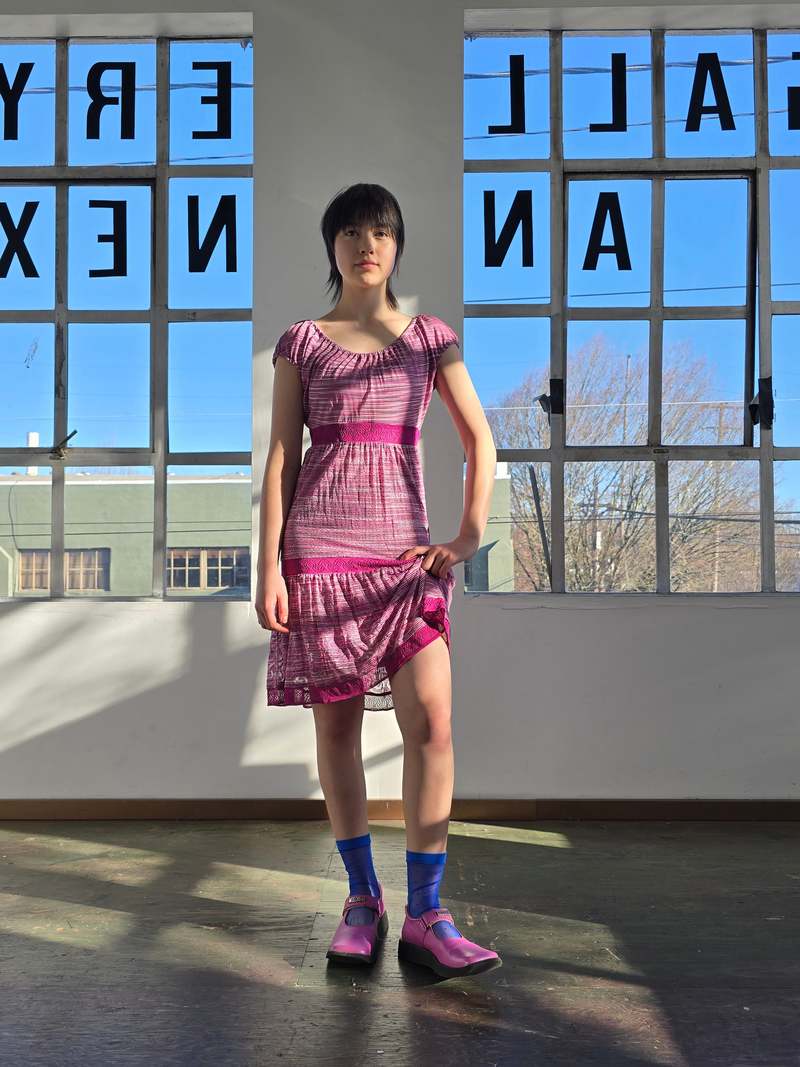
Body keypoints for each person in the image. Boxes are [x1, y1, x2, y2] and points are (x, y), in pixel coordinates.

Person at [256, 183, 499, 979]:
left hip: (403, 564)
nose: (368, 245)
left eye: (382, 232)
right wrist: (268, 566)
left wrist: (466, 536)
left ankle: (428, 914)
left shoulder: (430, 339)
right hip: (319, 556)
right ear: (332, 245)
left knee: (434, 725)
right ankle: (363, 899)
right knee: (337, 732)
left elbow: (481, 440)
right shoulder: (302, 342)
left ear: (398, 246)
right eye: (353, 232)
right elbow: (282, 458)